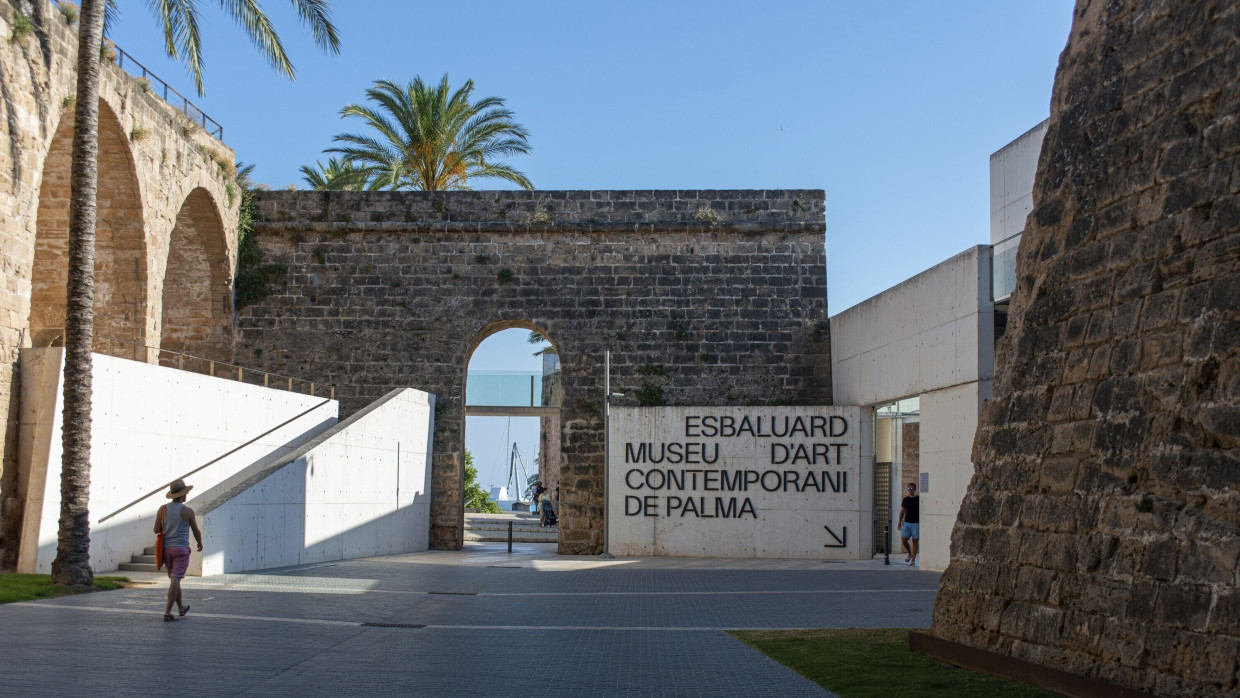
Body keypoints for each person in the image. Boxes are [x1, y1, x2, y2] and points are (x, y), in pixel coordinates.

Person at [155, 478, 203, 621]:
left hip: (166, 549)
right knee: (176, 579)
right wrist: (199, 543)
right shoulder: (187, 511)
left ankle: (181, 608)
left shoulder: (162, 509)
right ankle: (167, 612)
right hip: (181, 549)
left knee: (174, 579)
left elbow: (156, 529)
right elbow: (196, 530)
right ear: (183, 495)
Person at [898, 482, 920, 566]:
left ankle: (913, 560)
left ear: (915, 489)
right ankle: (909, 553)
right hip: (907, 522)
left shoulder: (918, 499)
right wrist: (899, 521)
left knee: (915, 541)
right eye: (909, 489)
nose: (910, 490)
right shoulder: (905, 500)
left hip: (916, 523)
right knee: (904, 539)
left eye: (911, 489)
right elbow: (902, 511)